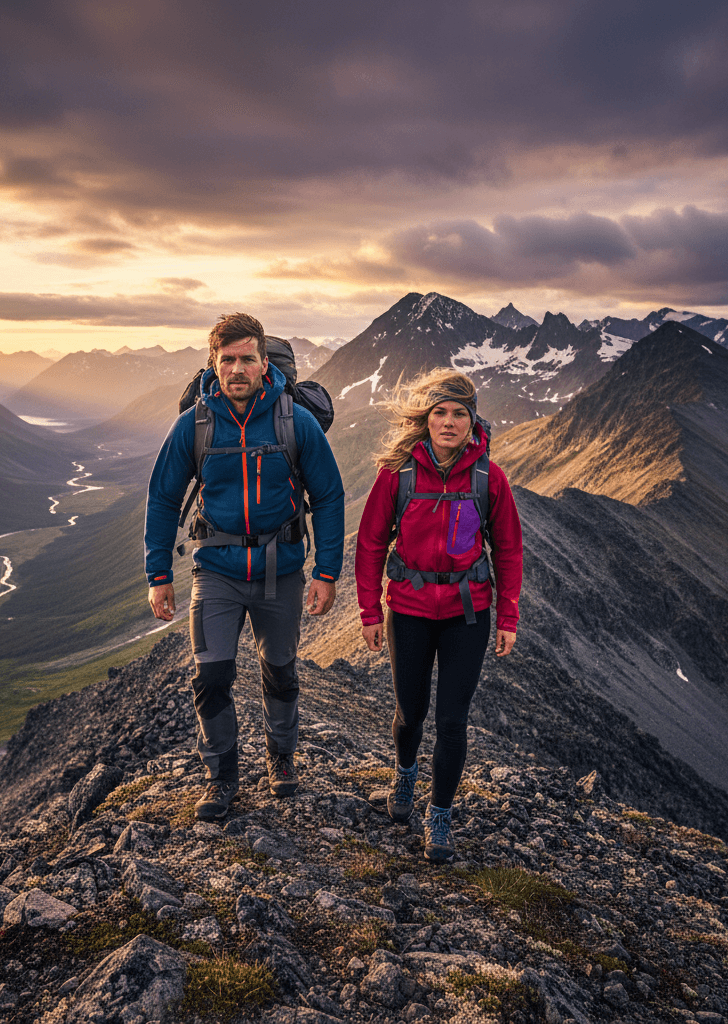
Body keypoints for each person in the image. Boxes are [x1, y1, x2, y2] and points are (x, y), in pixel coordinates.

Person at [145, 312, 344, 820]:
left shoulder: (293, 422)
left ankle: (281, 758)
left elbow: (329, 496)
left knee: (279, 670)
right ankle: (222, 777)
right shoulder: (194, 425)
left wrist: (326, 572)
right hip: (216, 572)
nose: (237, 368)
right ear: (214, 363)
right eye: (227, 359)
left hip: (281, 570)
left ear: (262, 363)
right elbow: (164, 499)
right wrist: (158, 575)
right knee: (210, 676)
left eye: (247, 358)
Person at [355, 368, 522, 862]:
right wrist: (368, 611)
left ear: (473, 422)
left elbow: (509, 549)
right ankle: (406, 774)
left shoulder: (489, 478)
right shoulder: (398, 474)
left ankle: (440, 813)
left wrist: (508, 617)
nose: (449, 422)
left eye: (459, 414)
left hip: (467, 614)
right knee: (411, 712)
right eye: (440, 413)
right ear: (425, 419)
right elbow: (369, 543)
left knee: (452, 721)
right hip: (406, 609)